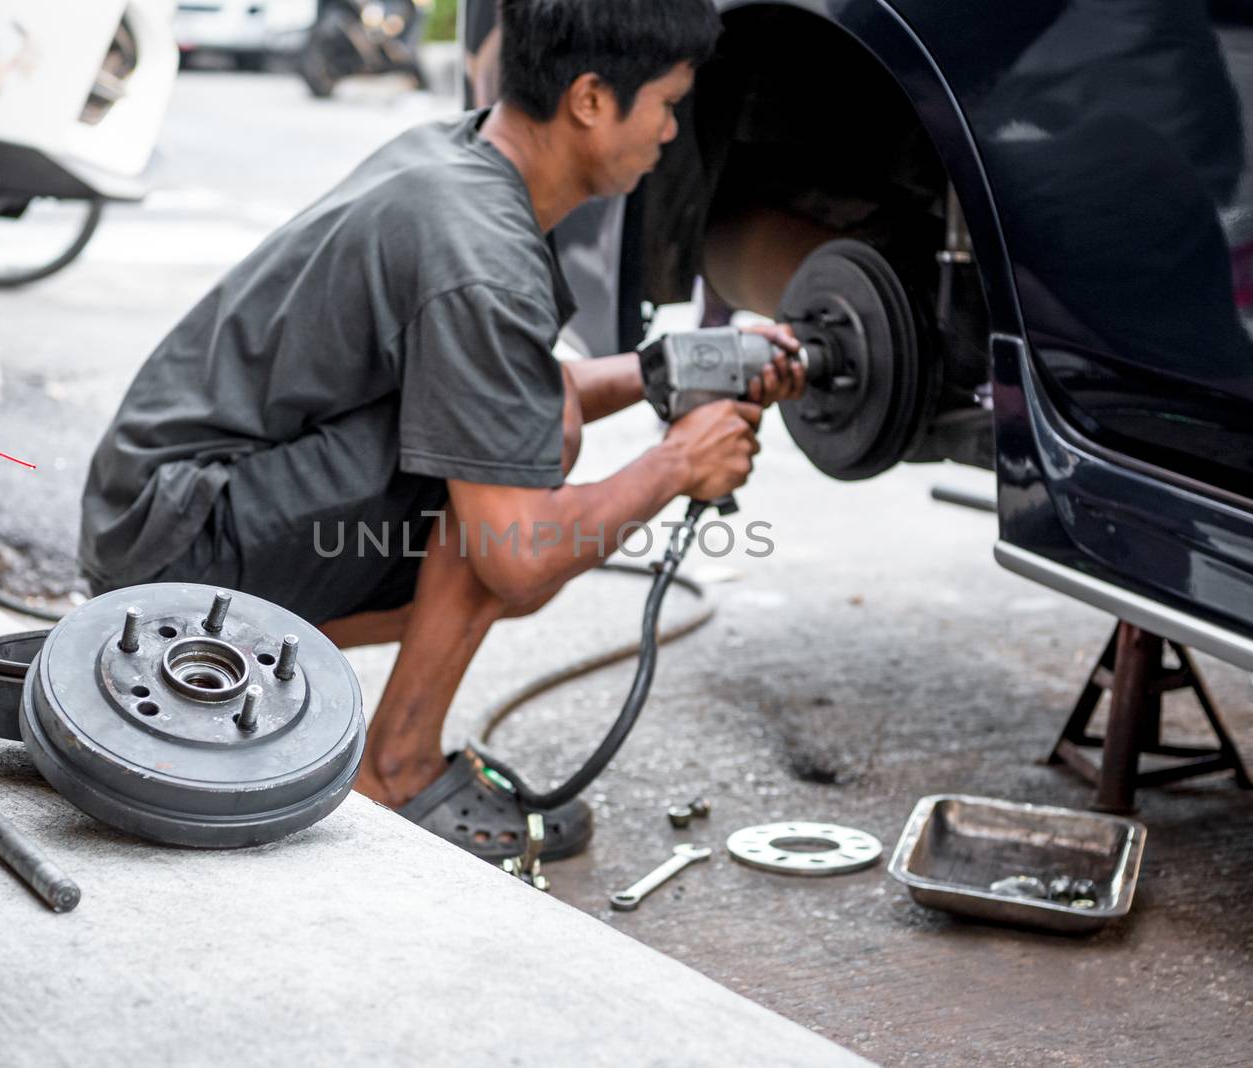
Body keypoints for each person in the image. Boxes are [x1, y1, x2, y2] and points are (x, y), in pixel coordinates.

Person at [78, 0, 807, 862]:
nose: (673, 129)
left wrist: (667, 367)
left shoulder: (461, 157)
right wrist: (680, 460)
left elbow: (503, 388)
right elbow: (518, 552)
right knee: (517, 491)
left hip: (159, 512)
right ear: (587, 99)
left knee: (529, 430)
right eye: (666, 103)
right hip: (173, 548)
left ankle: (356, 732)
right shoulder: (484, 253)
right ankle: (395, 768)